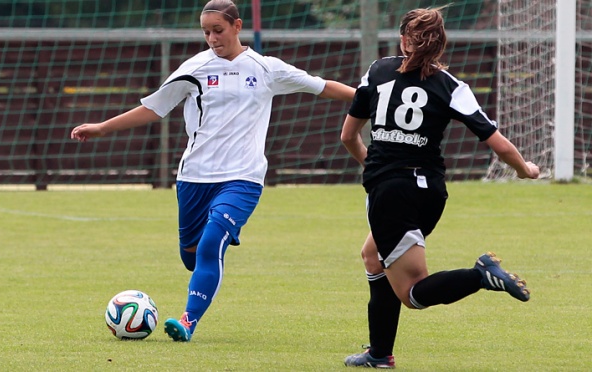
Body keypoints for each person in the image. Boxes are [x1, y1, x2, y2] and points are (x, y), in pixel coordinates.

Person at [71, 0, 355, 342]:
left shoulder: (266, 68)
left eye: (218, 30)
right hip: (194, 177)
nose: (212, 38)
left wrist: (370, 99)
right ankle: (203, 271)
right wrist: (102, 128)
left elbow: (321, 86)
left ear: (237, 26)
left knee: (210, 244)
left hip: (243, 177)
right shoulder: (195, 68)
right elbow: (154, 108)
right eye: (206, 32)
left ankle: (188, 321)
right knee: (191, 256)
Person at [340, 7, 540, 368]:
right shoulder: (451, 85)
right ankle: (379, 353)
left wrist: (375, 169)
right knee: (373, 255)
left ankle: (480, 275)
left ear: (403, 40)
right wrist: (524, 169)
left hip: (392, 193)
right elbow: (498, 144)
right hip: (431, 191)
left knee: (414, 294)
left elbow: (348, 135)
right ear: (440, 45)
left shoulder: (378, 70)